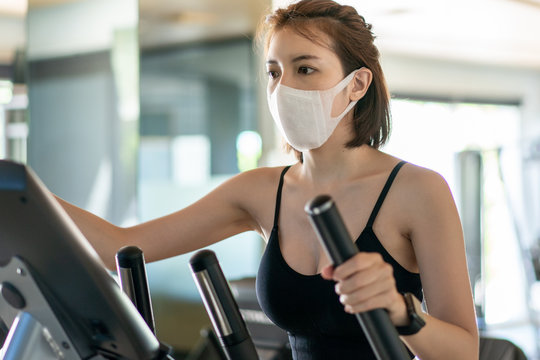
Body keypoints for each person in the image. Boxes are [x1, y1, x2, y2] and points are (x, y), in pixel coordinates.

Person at [55, 0, 479, 358]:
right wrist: (22, 193)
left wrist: (403, 312)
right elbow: (119, 246)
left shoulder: (418, 190)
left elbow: (465, 350)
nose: (283, 88)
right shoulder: (260, 191)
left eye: (305, 69)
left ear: (357, 84)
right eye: (274, 72)